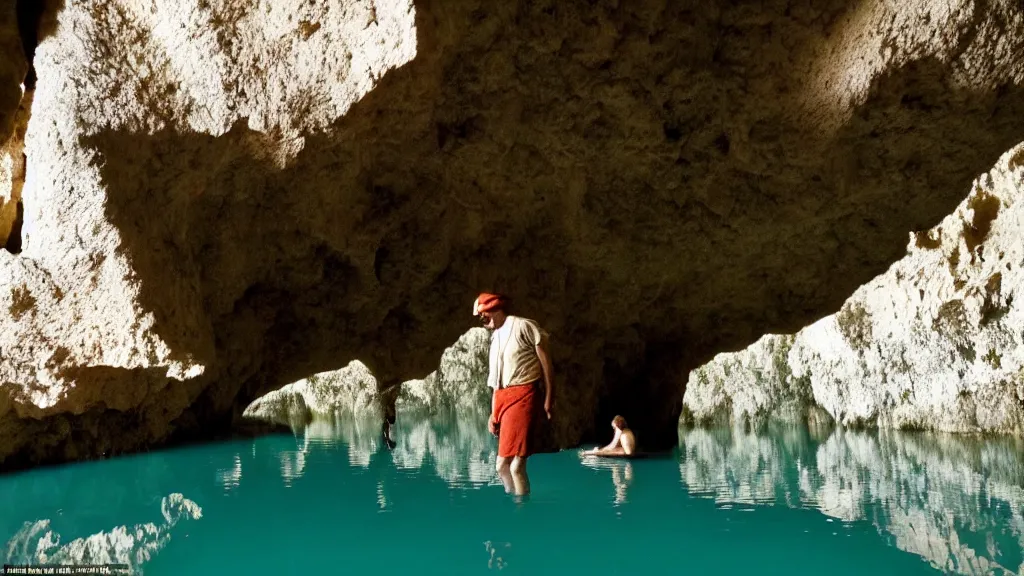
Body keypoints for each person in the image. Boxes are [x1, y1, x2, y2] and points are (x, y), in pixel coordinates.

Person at [473, 292, 554, 496]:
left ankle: (522, 511)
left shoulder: (523, 326)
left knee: (516, 465)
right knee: (501, 466)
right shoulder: (495, 338)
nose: (482, 320)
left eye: (484, 314)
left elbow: (546, 362)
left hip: (524, 394)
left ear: (495, 310)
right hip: (503, 398)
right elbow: (495, 383)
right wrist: (494, 413)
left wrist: (549, 397)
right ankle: (514, 499)